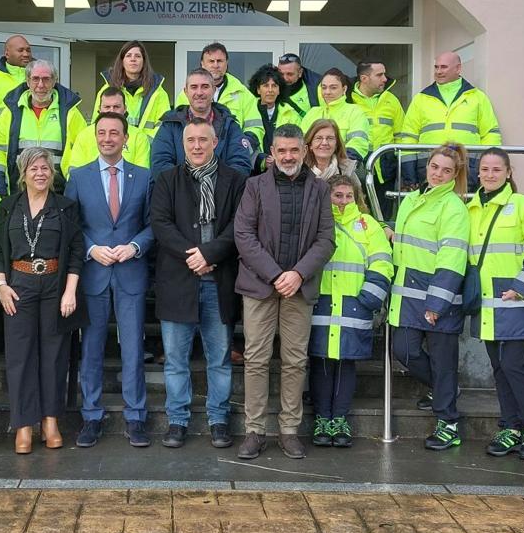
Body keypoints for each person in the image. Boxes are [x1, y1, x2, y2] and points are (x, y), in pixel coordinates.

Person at [233, 123, 335, 460]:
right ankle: (255, 431)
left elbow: (326, 240)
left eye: (294, 150)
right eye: (281, 151)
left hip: (299, 288)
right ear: (271, 153)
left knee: (295, 360)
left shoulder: (320, 189)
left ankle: (289, 430)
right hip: (261, 286)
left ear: (304, 151)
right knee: (257, 360)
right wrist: (278, 274)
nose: (288, 156)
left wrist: (298, 274)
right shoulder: (254, 186)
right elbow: (244, 236)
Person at [150, 120, 246, 449]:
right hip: (179, 281)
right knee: (176, 360)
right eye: (190, 140)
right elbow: (160, 224)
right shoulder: (167, 180)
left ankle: (219, 420)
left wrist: (209, 253)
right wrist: (192, 256)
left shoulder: (235, 181)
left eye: (203, 140)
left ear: (215, 142)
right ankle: (177, 421)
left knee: (218, 358)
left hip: (218, 281)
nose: (196, 146)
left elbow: (239, 226)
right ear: (183, 144)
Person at [65, 114, 154, 449]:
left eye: (114, 133)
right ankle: (91, 416)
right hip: (94, 273)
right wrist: (91, 249)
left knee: (132, 348)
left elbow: (152, 224)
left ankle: (136, 418)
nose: (107, 138)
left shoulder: (144, 177)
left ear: (126, 138)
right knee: (91, 349)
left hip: (131, 273)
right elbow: (72, 226)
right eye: (101, 132)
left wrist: (134, 246)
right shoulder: (79, 176)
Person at [0, 148, 86, 454]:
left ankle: (50, 421)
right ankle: (23, 425)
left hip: (55, 285)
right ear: (23, 173)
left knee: (54, 356)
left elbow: (75, 250)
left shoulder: (66, 207)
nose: (41, 173)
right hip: (18, 286)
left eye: (45, 168)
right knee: (20, 357)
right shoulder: (7, 207)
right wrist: (2, 285)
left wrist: (70, 290)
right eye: (34, 168)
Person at [468, 148, 524, 461]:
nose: (490, 175)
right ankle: (511, 426)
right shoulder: (472, 208)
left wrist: (522, 287)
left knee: (514, 365)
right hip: (488, 304)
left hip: (515, 300)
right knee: (499, 368)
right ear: (478, 173)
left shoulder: (523, 206)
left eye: (496, 170)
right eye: (485, 169)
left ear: (508, 172)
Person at [389, 143, 471, 451]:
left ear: (455, 174)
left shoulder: (453, 207)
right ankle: (443, 389)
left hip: (439, 296)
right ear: (427, 167)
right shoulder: (411, 199)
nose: (438, 174)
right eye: (434, 167)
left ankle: (448, 423)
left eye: (446, 170)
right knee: (405, 351)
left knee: (443, 362)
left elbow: (451, 258)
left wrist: (437, 303)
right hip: (408, 294)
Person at [307, 175, 392, 449]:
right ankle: (322, 418)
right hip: (321, 304)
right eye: (337, 195)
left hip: (354, 306)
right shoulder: (317, 222)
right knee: (320, 362)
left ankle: (340, 418)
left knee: (346, 363)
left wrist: (369, 298)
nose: (343, 201)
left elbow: (382, 262)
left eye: (348, 196)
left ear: (357, 198)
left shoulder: (368, 226)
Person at [397, 51, 502, 187]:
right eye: (436, 67)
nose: (438, 71)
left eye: (444, 67)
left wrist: (487, 166)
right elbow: (409, 137)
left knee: (464, 207)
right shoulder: (421, 99)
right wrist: (409, 173)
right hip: (429, 167)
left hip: (468, 166)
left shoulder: (477, 97)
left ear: (458, 68)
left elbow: (490, 134)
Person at [0, 59, 86, 196]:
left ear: (54, 81)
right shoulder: (11, 112)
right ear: (27, 82)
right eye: (35, 79)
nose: (41, 85)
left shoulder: (71, 113)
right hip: (19, 192)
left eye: (46, 79)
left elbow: (83, 151)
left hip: (59, 193)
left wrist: (74, 189)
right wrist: (0, 186)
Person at [152, 68, 254, 178]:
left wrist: (211, 184)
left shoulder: (230, 126)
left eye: (205, 87)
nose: (199, 92)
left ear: (214, 90)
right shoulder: (170, 125)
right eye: (194, 87)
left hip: (220, 193)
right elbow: (160, 166)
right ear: (186, 92)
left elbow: (241, 165)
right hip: (179, 193)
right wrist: (190, 185)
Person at [175, 42, 263, 147]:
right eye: (211, 61)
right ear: (202, 64)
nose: (215, 65)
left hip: (231, 154)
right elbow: (179, 128)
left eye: (220, 61)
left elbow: (255, 128)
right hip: (197, 152)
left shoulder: (243, 94)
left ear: (226, 63)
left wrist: (240, 145)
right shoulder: (186, 95)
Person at [354, 60, 406, 218]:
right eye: (379, 75)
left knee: (383, 217)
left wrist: (402, 167)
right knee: (358, 217)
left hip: (386, 168)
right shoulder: (348, 100)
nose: (385, 79)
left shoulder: (391, 99)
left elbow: (402, 135)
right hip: (358, 167)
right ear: (364, 78)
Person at [62, 87, 151, 178]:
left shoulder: (139, 136)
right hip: (90, 189)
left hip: (128, 189)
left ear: (125, 109)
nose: (111, 111)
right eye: (107, 107)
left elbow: (141, 176)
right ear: (99, 109)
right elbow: (75, 172)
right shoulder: (84, 135)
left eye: (116, 107)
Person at [93, 40, 171, 138]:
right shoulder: (107, 89)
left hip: (146, 149)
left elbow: (164, 127)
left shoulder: (158, 93)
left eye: (137, 56)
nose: (133, 59)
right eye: (128, 55)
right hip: (114, 147)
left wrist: (142, 142)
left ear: (144, 61)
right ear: (122, 61)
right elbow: (96, 123)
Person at [300, 69, 371, 163]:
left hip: (343, 168)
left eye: (333, 87)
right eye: (324, 87)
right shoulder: (312, 113)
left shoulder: (354, 111)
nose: (327, 92)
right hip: (312, 167)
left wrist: (339, 163)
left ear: (344, 89)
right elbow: (301, 143)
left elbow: (358, 143)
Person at [247, 64, 301, 171]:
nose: (270, 90)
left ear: (279, 90)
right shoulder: (248, 110)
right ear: (258, 90)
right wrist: (261, 160)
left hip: (285, 168)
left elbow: (299, 142)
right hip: (254, 170)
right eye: (266, 85)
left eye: (274, 86)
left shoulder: (291, 113)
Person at [304, 119, 360, 185]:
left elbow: (358, 195)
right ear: (310, 145)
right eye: (319, 138)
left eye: (330, 138)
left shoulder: (347, 170)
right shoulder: (297, 170)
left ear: (336, 144)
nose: (324, 143)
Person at [276, 52, 322, 117]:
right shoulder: (270, 89)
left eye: (290, 74)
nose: (285, 78)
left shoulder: (316, 89)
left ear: (300, 72)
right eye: (281, 74)